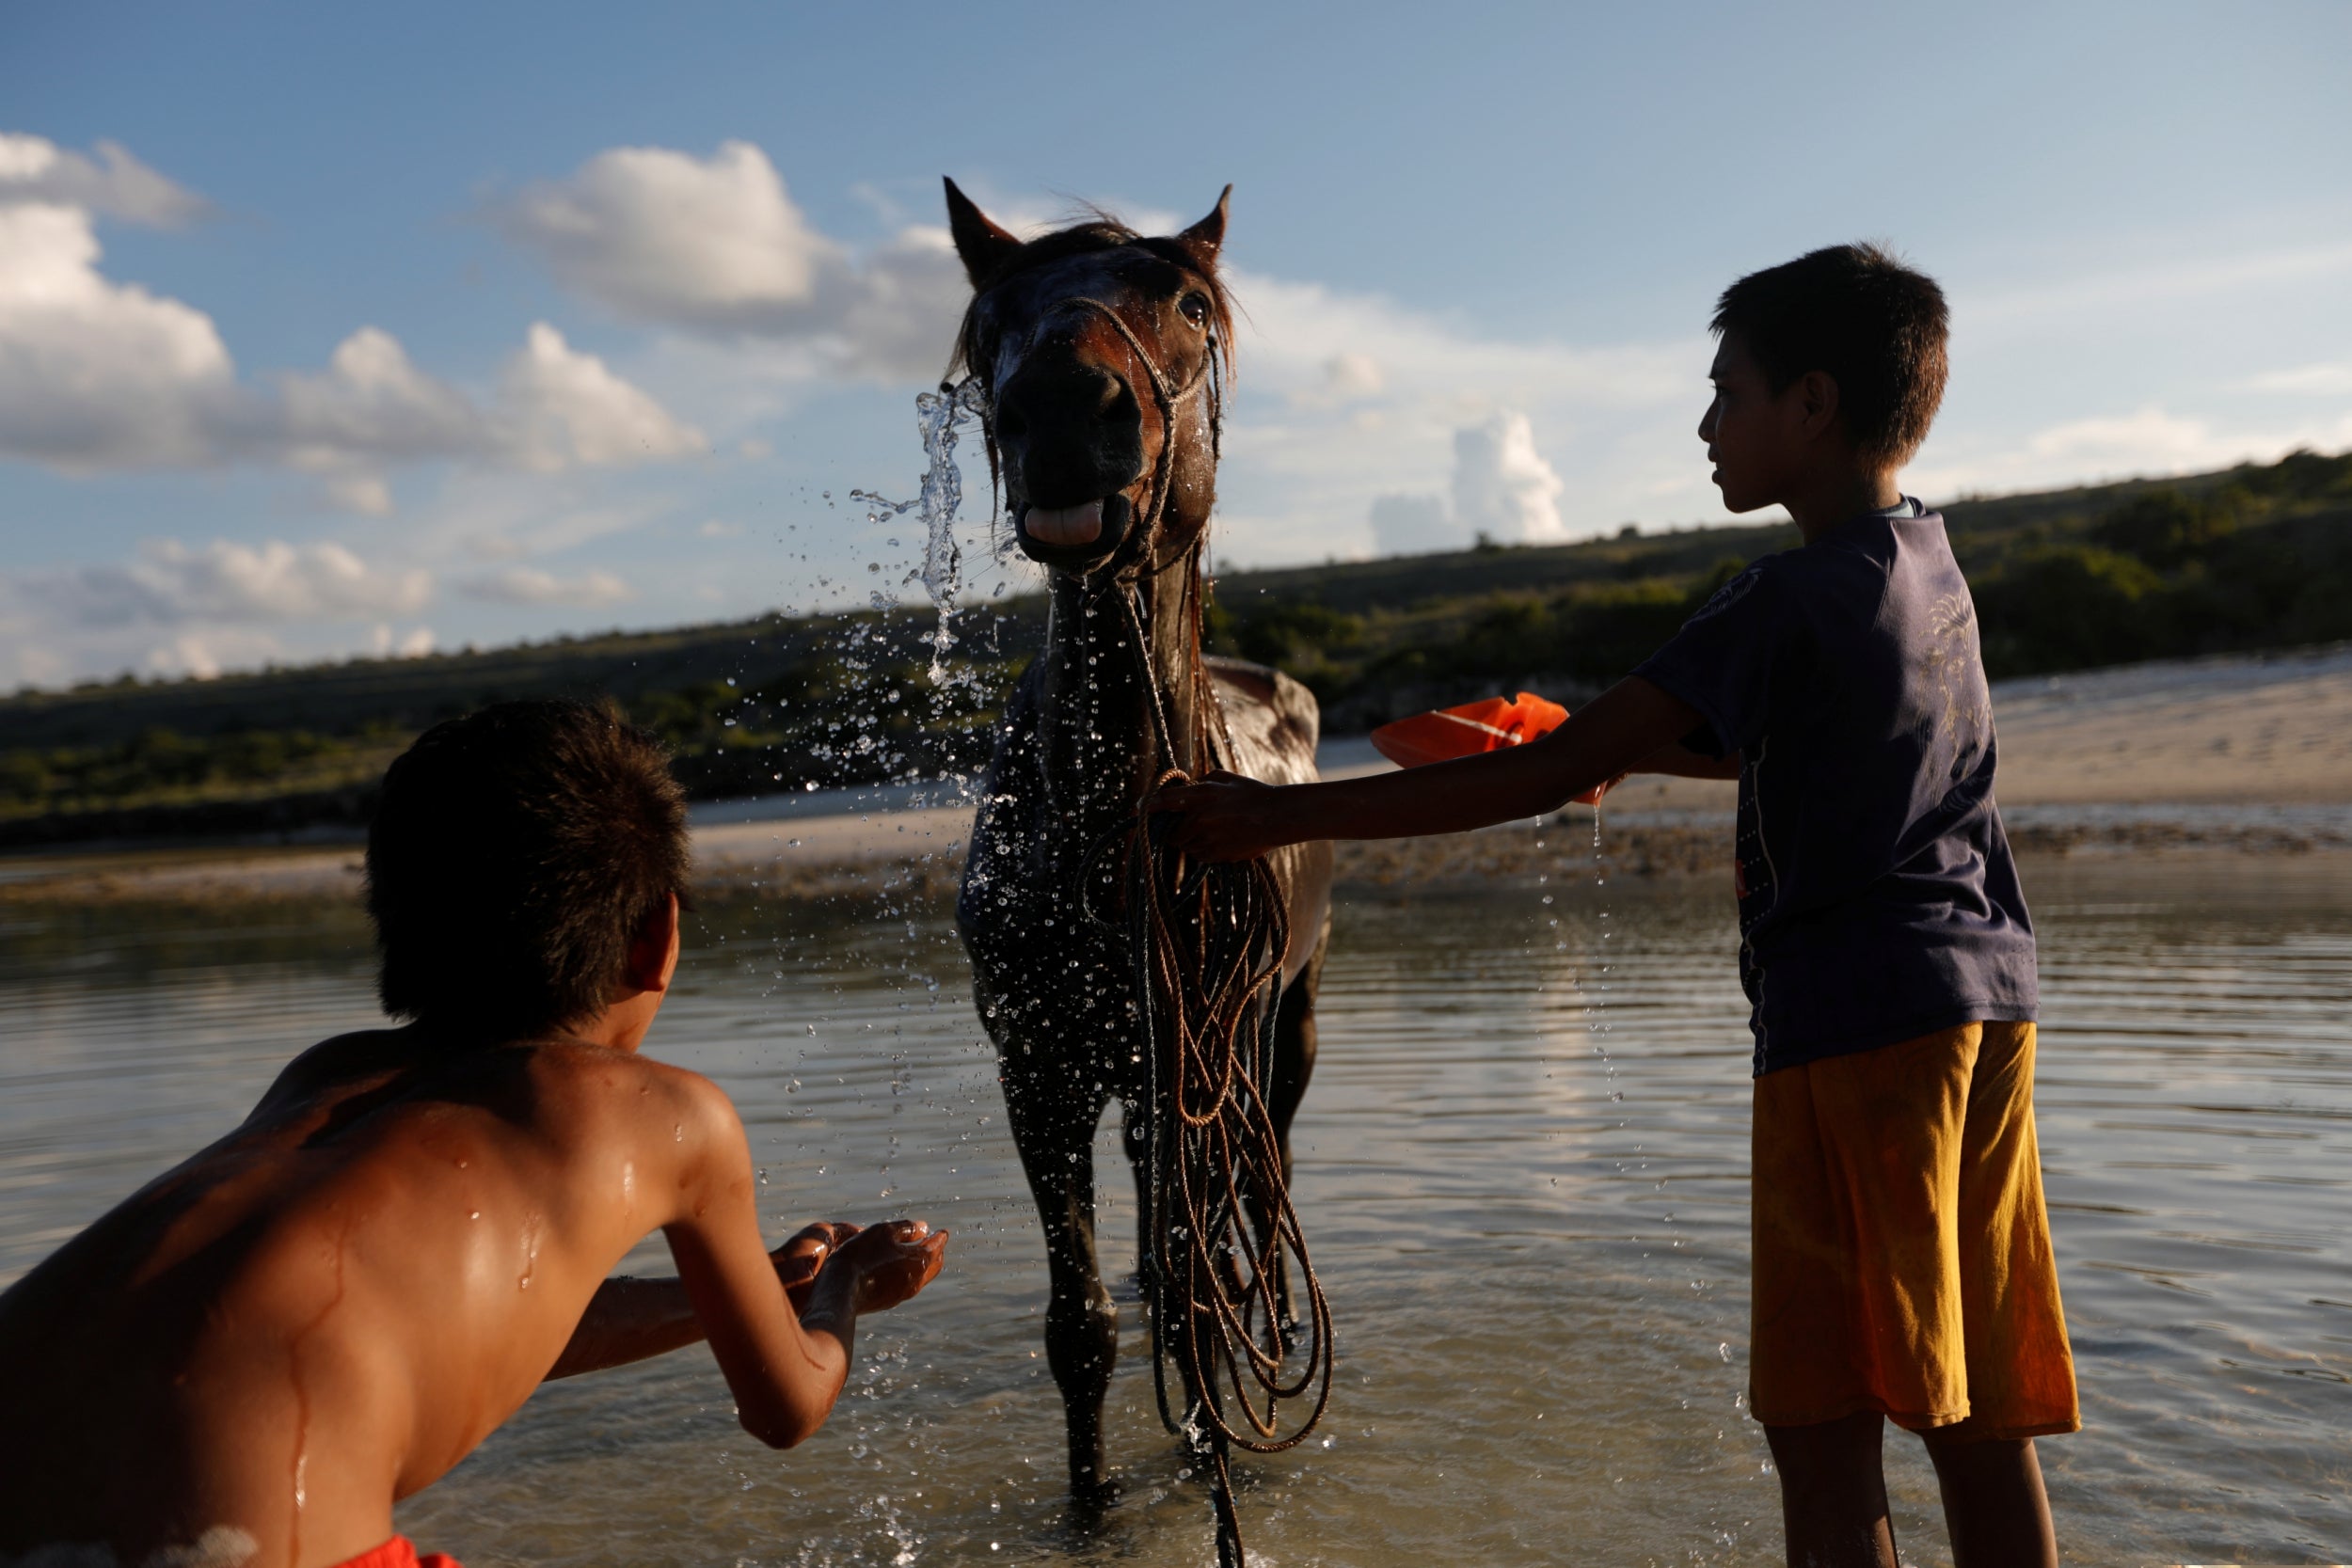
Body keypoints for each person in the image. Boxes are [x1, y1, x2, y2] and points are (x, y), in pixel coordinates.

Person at [1160, 245, 2076, 1568]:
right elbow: (1804, 737)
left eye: (1729, 392)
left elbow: (1543, 778)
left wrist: (1270, 814)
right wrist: (1607, 738)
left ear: (1810, 405)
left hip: (1854, 1033)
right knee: (1981, 1415)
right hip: (1981, 1011)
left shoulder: (1777, 595)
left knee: (1824, 1428)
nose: (1707, 425)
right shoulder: (1925, 564)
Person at [0, 699, 947, 1568]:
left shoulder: (323, 1075)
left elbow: (479, 1317)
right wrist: (841, 1291)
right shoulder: (670, 1112)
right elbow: (785, 1405)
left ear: (394, 922)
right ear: (654, 936)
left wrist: (741, 1291)